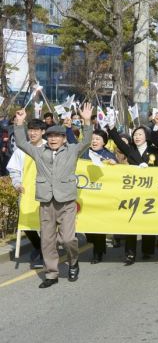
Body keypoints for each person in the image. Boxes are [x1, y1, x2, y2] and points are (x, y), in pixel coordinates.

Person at [13, 103, 93, 289]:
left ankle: (73, 262)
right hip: (46, 202)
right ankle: (52, 273)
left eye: (57, 136)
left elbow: (87, 141)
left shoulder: (72, 150)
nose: (53, 139)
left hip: (66, 202)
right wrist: (19, 123)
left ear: (64, 139)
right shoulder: (39, 152)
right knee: (47, 241)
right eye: (50, 136)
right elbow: (22, 143)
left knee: (67, 239)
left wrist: (87, 121)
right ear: (46, 138)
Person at [107, 124, 158, 265]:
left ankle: (147, 250)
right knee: (131, 222)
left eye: (140, 134)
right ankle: (130, 253)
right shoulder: (130, 150)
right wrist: (112, 127)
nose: (137, 137)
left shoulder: (154, 150)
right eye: (135, 134)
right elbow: (118, 141)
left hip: (150, 192)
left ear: (146, 137)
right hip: (133, 191)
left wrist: (150, 169)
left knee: (147, 221)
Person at [7, 118, 47, 269]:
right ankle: (38, 247)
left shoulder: (50, 148)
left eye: (36, 130)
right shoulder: (21, 149)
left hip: (47, 193)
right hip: (27, 192)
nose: (32, 133)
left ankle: (44, 254)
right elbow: (14, 170)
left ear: (43, 132)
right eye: (30, 130)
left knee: (46, 226)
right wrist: (17, 183)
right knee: (26, 222)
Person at [81, 129, 118, 263]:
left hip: (101, 196)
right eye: (93, 138)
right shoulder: (83, 152)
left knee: (97, 225)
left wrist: (115, 165)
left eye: (97, 139)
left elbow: (116, 176)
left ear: (104, 142)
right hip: (85, 194)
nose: (94, 141)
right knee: (87, 226)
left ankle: (98, 252)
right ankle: (98, 246)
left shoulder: (108, 155)